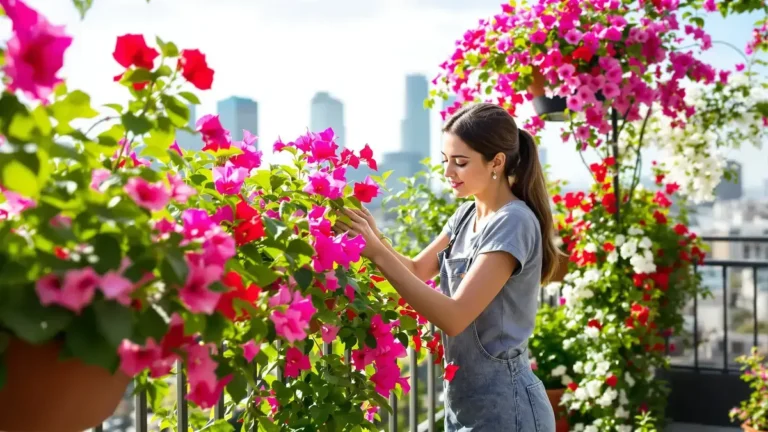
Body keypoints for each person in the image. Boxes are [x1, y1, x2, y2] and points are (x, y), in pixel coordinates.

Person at [335, 102, 560, 431]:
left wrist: (378, 253)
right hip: (463, 405)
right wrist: (374, 236)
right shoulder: (467, 215)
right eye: (446, 161)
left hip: (506, 409)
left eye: (461, 162)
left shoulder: (513, 221)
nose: (448, 172)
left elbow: (455, 317)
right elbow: (415, 270)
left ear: (496, 162)